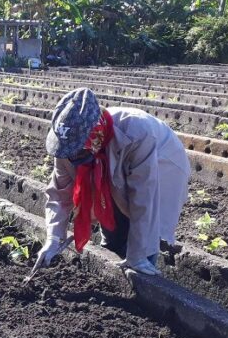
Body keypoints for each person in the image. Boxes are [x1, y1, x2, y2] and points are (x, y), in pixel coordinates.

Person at [35, 88, 191, 275]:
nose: (71, 156)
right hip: (112, 161)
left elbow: (144, 198)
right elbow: (59, 195)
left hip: (162, 162)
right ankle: (114, 252)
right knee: (111, 213)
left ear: (95, 134)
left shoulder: (137, 132)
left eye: (77, 151)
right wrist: (53, 238)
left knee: (147, 233)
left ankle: (144, 268)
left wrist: (137, 254)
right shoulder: (66, 145)